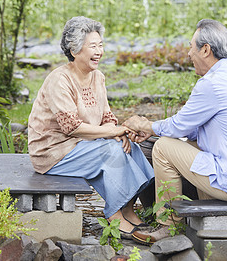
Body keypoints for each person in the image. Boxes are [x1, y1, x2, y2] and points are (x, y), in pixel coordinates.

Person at [123, 19, 227, 244]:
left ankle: (169, 226)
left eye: (191, 47)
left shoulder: (214, 83)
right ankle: (199, 214)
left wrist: (144, 125)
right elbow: (194, 130)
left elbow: (179, 126)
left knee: (162, 148)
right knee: (176, 143)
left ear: (206, 49)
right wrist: (154, 129)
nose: (189, 54)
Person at [28, 16, 154, 239]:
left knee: (130, 148)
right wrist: (113, 133)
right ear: (75, 50)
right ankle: (114, 216)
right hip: (55, 151)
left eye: (101, 45)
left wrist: (117, 134)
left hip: (83, 144)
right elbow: (71, 127)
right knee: (110, 152)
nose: (99, 51)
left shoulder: (98, 77)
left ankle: (128, 209)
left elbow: (106, 116)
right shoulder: (60, 79)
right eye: (93, 46)